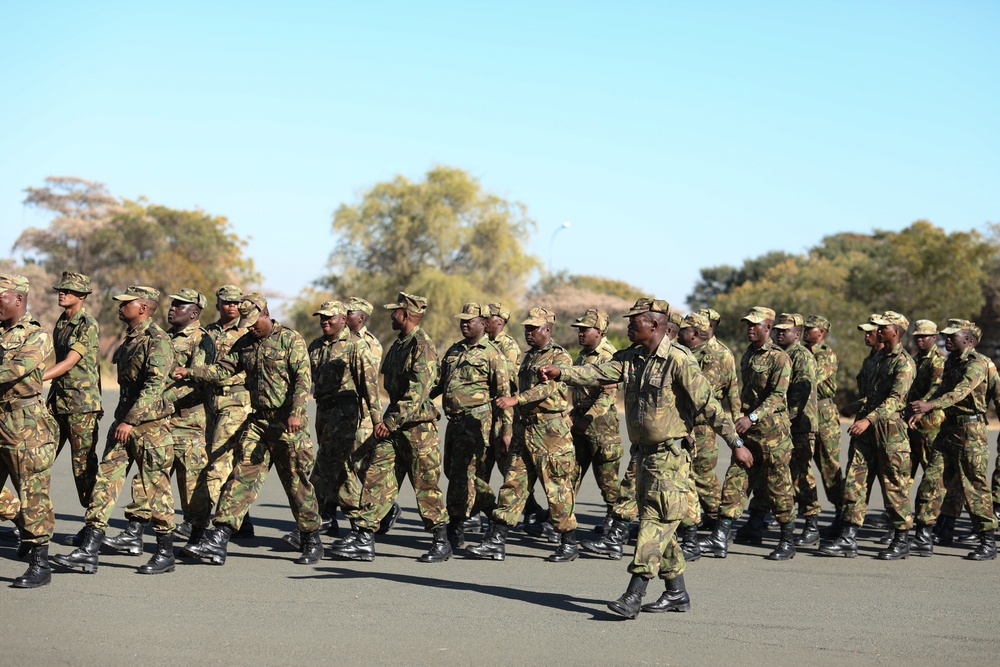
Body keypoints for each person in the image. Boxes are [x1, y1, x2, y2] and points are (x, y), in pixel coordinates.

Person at [539, 298, 751, 618]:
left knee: (655, 522)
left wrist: (735, 442)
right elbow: (597, 372)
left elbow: (708, 404)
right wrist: (561, 372)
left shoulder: (679, 360)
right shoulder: (632, 358)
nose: (628, 325)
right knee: (661, 525)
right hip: (643, 457)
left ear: (654, 324)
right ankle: (677, 593)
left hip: (670, 456)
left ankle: (633, 594)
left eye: (634, 321)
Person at [176, 292, 322, 566]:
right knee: (241, 476)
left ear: (266, 313)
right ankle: (219, 538)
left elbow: (303, 381)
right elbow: (223, 370)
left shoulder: (290, 339)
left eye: (255, 322)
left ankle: (311, 538)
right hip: (258, 422)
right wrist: (191, 372)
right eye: (247, 324)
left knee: (296, 482)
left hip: (287, 423)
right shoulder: (245, 343)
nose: (252, 328)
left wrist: (296, 412)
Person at [53, 285, 178, 576]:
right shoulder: (131, 338)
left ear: (143, 308)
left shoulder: (157, 340)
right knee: (104, 484)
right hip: (124, 425)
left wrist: (130, 420)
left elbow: (154, 386)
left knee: (156, 489)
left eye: (126, 303)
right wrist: (123, 420)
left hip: (149, 428)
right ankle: (89, 549)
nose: (120, 307)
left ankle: (165, 552)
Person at [332, 292, 451, 563]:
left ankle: (441, 540)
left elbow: (418, 392)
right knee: (377, 478)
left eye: (395, 311)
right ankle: (364, 537)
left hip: (418, 429)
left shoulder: (423, 345)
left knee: (425, 485)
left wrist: (389, 421)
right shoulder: (399, 345)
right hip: (395, 427)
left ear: (406, 314)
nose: (390, 316)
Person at [467, 307, 580, 562]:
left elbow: (547, 390)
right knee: (512, 484)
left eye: (534, 328)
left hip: (551, 432)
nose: (528, 333)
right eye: (526, 328)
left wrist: (515, 399)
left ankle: (569, 541)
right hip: (525, 428)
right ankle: (496, 540)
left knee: (557, 487)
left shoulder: (559, 358)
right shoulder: (529, 358)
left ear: (548, 330)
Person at [105, 288, 210, 557]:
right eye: (172, 303)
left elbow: (200, 382)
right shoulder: (163, 337)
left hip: (186, 423)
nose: (172, 308)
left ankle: (198, 536)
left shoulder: (202, 340)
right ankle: (134, 532)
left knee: (192, 484)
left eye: (180, 305)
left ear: (195, 312)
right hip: (156, 420)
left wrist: (164, 399)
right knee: (146, 477)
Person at [283, 300, 381, 550]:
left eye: (330, 318)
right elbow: (305, 381)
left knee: (324, 469)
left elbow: (370, 387)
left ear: (342, 319)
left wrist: (377, 421)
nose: (324, 322)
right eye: (321, 318)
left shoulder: (356, 346)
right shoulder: (315, 346)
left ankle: (308, 526)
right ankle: (363, 526)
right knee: (340, 471)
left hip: (345, 412)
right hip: (323, 412)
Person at [700, 306, 797, 561]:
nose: (750, 328)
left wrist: (752, 417)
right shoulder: (748, 355)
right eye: (748, 324)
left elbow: (778, 396)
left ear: (768, 328)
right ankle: (720, 536)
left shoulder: (780, 358)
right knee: (735, 480)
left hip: (773, 434)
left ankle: (788, 539)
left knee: (778, 487)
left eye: (755, 324)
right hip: (749, 433)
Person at [819, 311, 915, 559]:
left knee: (894, 486)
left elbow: (896, 400)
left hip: (889, 431)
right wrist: (857, 407)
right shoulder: (875, 359)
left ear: (896, 331)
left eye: (883, 327)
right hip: (865, 431)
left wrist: (867, 419)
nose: (878, 330)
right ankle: (848, 536)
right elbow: (872, 395)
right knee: (855, 482)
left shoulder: (904, 363)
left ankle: (901, 538)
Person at [909, 319, 997, 560]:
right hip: (947, 429)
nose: (945, 339)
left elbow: (960, 392)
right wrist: (924, 408)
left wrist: (931, 404)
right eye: (945, 335)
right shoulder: (951, 362)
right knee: (931, 479)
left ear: (968, 339)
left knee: (973, 486)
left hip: (970, 431)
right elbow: (941, 390)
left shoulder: (977, 364)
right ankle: (924, 535)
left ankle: (987, 540)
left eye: (951, 335)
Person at [175, 285, 254, 549]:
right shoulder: (207, 331)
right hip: (208, 401)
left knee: (220, 462)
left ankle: (199, 523)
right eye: (226, 302)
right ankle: (242, 519)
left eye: (236, 302)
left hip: (236, 398)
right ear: (218, 303)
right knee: (212, 458)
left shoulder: (247, 331)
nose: (231, 307)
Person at [429, 303, 512, 550]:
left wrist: (505, 431)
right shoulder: (454, 350)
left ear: (484, 324)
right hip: (453, 423)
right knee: (453, 472)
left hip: (477, 423)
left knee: (462, 475)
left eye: (470, 320)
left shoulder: (492, 354)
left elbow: (504, 395)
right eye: (462, 320)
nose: (464, 324)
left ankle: (459, 526)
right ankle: (490, 512)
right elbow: (440, 383)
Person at [0, 274, 57, 588]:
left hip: (25, 424)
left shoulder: (36, 335)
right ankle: (22, 519)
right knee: (23, 501)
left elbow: (15, 370)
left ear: (18, 299)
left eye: (0, 297)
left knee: (33, 492)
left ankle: (40, 562)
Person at [677, 311, 739, 555]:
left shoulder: (716, 354)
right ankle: (703, 522)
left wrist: (735, 422)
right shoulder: (686, 349)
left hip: (703, 424)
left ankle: (719, 522)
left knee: (701, 474)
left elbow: (707, 392)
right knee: (691, 473)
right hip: (687, 421)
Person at [43, 271, 102, 510]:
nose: (62, 293)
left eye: (67, 290)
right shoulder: (62, 321)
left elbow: (69, 362)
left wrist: (35, 377)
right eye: (61, 290)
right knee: (39, 460)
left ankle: (92, 525)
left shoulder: (88, 325)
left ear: (83, 295)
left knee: (83, 467)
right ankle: (31, 520)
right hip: (57, 401)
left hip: (81, 406)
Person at [568, 309, 623, 535]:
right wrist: (573, 413)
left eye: (585, 329)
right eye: (579, 330)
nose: (580, 333)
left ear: (599, 332)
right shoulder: (583, 355)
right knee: (571, 474)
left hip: (601, 426)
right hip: (580, 422)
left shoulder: (609, 356)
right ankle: (564, 519)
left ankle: (616, 522)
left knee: (607, 480)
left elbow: (607, 397)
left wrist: (587, 418)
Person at [773, 313, 822, 547]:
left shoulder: (802, 356)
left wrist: (786, 419)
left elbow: (801, 394)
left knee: (801, 474)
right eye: (778, 329)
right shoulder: (779, 354)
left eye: (785, 330)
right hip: (783, 425)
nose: (780, 333)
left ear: (798, 334)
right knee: (782, 475)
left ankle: (811, 524)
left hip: (799, 425)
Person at [802, 316, 843, 522]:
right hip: (803, 413)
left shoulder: (826, 355)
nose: (806, 331)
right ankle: (810, 517)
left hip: (823, 414)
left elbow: (811, 378)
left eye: (811, 328)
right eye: (805, 328)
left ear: (822, 333)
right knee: (801, 467)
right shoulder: (799, 353)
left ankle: (841, 514)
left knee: (829, 467)